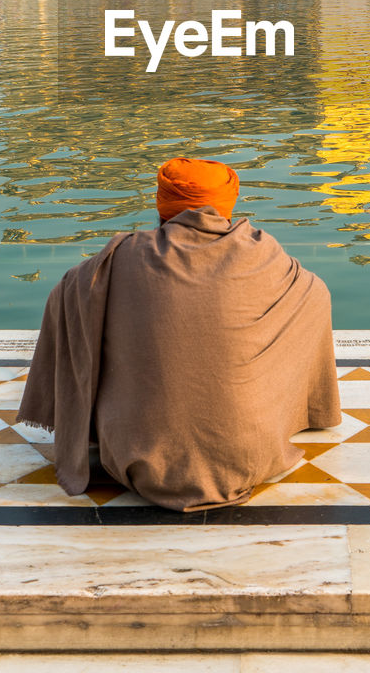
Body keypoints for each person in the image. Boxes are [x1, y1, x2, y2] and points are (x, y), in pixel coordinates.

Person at [17, 157, 340, 512]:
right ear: (227, 206)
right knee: (314, 295)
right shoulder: (263, 254)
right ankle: (311, 410)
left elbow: (65, 292)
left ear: (162, 206)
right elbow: (316, 292)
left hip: (134, 459)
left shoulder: (121, 257)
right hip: (251, 458)